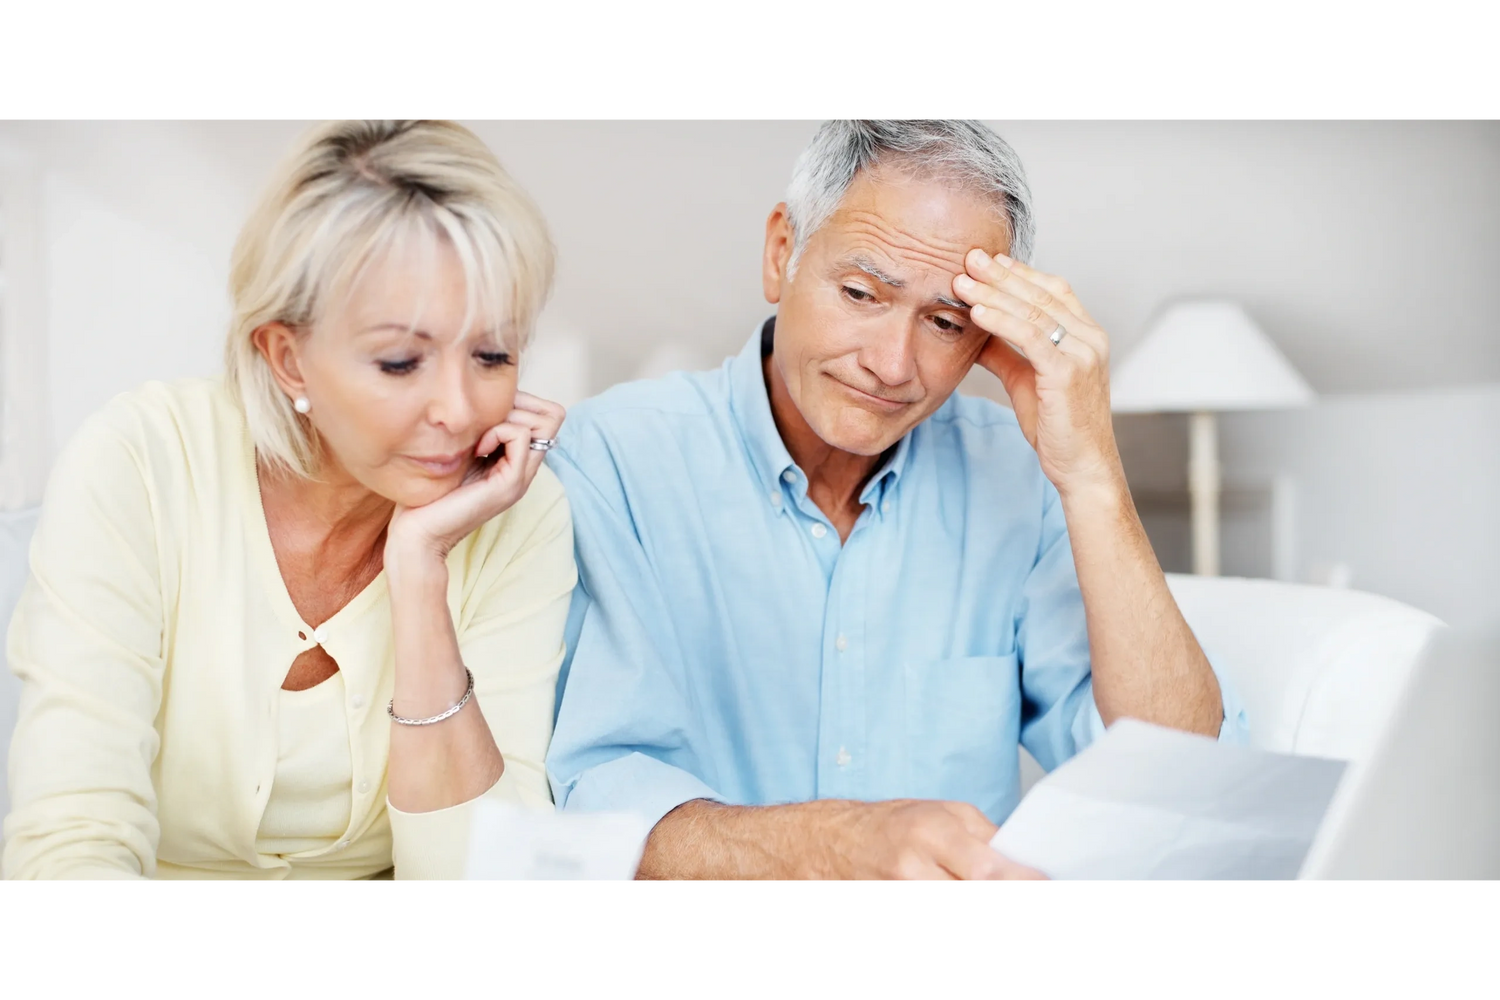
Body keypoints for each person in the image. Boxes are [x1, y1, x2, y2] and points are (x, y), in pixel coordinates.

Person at [546, 117, 1248, 882]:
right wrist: (830, 846)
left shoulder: (1017, 478)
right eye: (861, 293)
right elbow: (589, 793)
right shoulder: (613, 458)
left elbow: (1178, 779)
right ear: (782, 253)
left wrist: (1093, 474)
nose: (891, 364)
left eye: (945, 323)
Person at [3, 117, 573, 882]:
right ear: (288, 358)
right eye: (402, 361)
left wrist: (419, 570)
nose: (460, 409)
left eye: (493, 354)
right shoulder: (140, 464)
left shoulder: (520, 516)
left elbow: (487, 872)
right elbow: (70, 843)